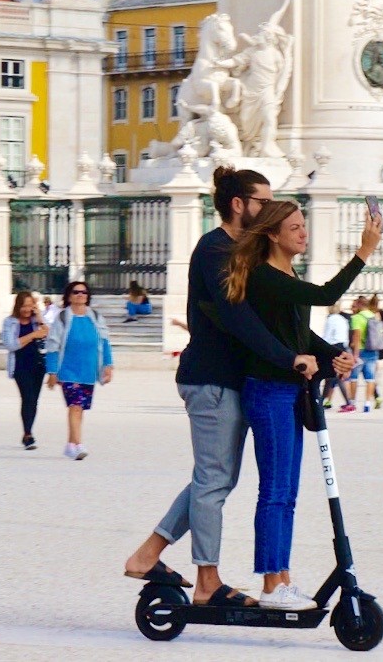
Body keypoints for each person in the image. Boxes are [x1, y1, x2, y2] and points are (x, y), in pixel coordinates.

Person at [124, 167, 340, 609]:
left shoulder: (242, 251)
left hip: (232, 379)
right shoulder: (216, 248)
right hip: (211, 379)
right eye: (263, 201)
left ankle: (148, 554)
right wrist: (287, 359)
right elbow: (241, 319)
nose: (269, 209)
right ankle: (207, 580)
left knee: (216, 478)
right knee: (214, 480)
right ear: (239, 203)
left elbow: (278, 320)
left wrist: (322, 352)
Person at [224, 199, 382, 609]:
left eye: (303, 226)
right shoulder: (264, 277)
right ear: (273, 234)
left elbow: (299, 335)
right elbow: (327, 294)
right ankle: (272, 585)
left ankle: (282, 577)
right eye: (294, 227)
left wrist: (334, 354)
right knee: (276, 490)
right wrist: (363, 251)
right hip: (269, 391)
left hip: (288, 391)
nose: (303, 233)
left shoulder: (284, 273)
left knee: (287, 492)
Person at [45, 281, 113, 460]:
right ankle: (78, 444)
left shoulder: (96, 317)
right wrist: (52, 372)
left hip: (89, 370)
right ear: (69, 296)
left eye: (83, 292)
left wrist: (108, 365)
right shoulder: (62, 318)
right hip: (68, 370)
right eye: (76, 292)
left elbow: (105, 342)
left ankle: (70, 445)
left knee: (80, 408)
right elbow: (52, 345)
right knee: (75, 407)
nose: (80, 295)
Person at [1, 291, 49, 449]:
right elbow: (11, 344)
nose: (27, 309)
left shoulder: (36, 321)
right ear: (18, 306)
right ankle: (28, 434)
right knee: (27, 397)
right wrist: (34, 335)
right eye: (24, 305)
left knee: (34, 400)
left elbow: (48, 335)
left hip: (38, 365)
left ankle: (28, 431)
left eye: (30, 305)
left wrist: (39, 316)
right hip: (20, 366)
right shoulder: (10, 322)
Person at [349, 296, 382, 413]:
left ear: (358, 304)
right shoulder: (374, 316)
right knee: (370, 378)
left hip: (361, 350)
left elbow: (357, 336)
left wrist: (355, 354)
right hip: (373, 349)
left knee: (353, 377)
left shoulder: (356, 318)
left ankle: (352, 402)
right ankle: (367, 403)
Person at [322, 301, 350, 409]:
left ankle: (348, 401)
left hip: (334, 347)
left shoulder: (331, 319)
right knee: (335, 376)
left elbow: (327, 336)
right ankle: (322, 400)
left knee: (333, 376)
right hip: (343, 346)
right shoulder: (343, 319)